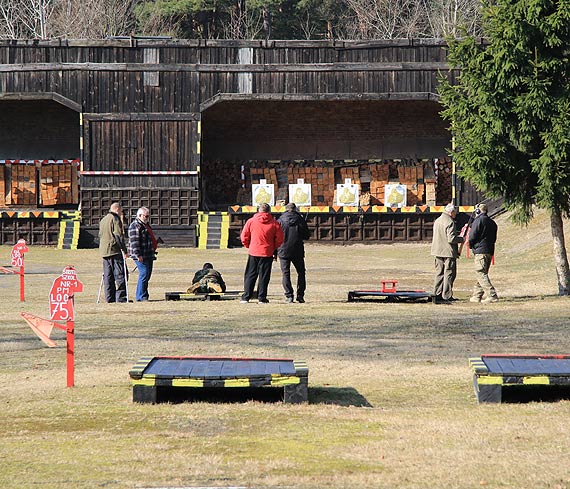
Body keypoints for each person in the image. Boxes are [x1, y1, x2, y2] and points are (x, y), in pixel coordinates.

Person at [240, 203, 284, 304]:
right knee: (264, 276)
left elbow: (244, 236)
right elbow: (280, 238)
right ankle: (261, 297)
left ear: (258, 210)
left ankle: (246, 297)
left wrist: (248, 245)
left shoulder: (251, 221)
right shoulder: (274, 223)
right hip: (267, 252)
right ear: (269, 211)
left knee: (250, 275)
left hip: (254, 251)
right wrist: (274, 248)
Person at [430, 203, 464, 304]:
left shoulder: (438, 220)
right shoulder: (450, 222)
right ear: (451, 212)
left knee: (439, 273)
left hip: (437, 250)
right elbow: (451, 239)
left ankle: (436, 293)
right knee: (449, 273)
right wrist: (462, 239)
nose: (455, 214)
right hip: (448, 252)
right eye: (455, 213)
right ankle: (447, 295)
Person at [277, 202, 310, 303]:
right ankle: (300, 295)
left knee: (285, 273)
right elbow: (306, 236)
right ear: (295, 209)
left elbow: (276, 236)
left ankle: (289, 295)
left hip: (283, 250)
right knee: (301, 273)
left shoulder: (280, 220)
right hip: (297, 250)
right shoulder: (300, 220)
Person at [468, 203, 499, 303]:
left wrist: (471, 245)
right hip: (489, 250)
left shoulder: (478, 220)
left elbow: (472, 236)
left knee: (480, 273)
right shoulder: (492, 222)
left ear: (478, 211)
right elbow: (494, 238)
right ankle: (477, 296)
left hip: (480, 251)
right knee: (482, 273)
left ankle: (492, 295)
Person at [98, 202, 128, 303]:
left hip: (104, 252)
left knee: (108, 276)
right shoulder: (115, 219)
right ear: (117, 210)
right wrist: (124, 250)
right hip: (114, 250)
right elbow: (118, 235)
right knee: (120, 274)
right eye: (121, 211)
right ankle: (121, 298)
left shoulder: (103, 220)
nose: (121, 213)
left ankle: (109, 298)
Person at [128, 206, 158, 302]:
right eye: (146, 216)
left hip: (148, 254)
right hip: (140, 255)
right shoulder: (135, 226)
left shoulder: (145, 225)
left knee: (147, 275)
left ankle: (144, 294)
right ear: (140, 215)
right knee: (144, 274)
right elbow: (134, 241)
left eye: (148, 216)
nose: (147, 218)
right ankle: (141, 296)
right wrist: (138, 255)